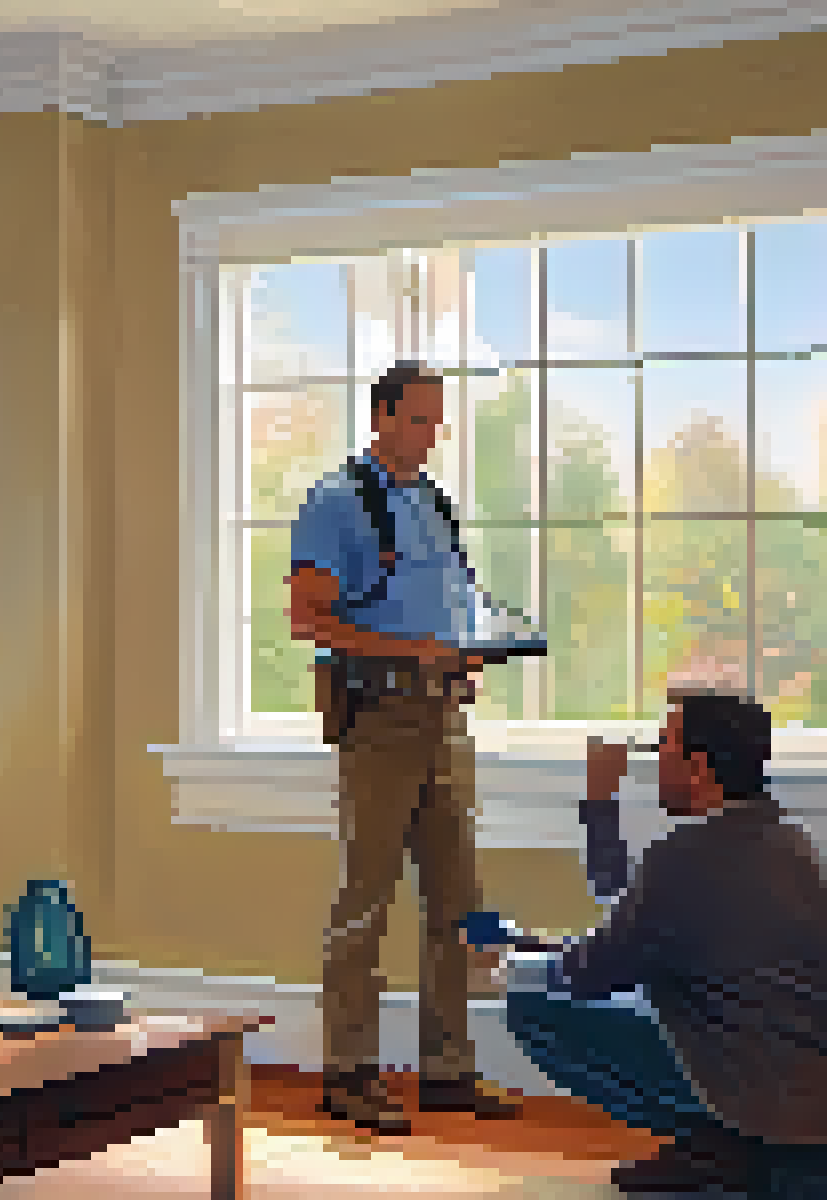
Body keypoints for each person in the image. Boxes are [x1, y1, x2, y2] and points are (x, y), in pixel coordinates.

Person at [288, 362, 525, 1133]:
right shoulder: (336, 502)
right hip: (379, 717)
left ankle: (448, 1069)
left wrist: (462, 656)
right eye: (418, 418)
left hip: (442, 715)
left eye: (436, 419)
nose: (430, 433)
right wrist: (409, 652)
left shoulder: (432, 504)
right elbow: (308, 619)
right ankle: (349, 1073)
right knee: (366, 901)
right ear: (382, 416)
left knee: (459, 901)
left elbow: (442, 607)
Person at [481, 688, 827, 1193]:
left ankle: (721, 1141)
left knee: (527, 996)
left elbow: (589, 976)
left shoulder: (687, 853)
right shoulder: (790, 843)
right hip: (804, 1084)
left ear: (698, 767)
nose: (656, 759)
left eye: (664, 745)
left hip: (753, 1086)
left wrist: (513, 963)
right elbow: (634, 916)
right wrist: (600, 808)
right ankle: (743, 1148)